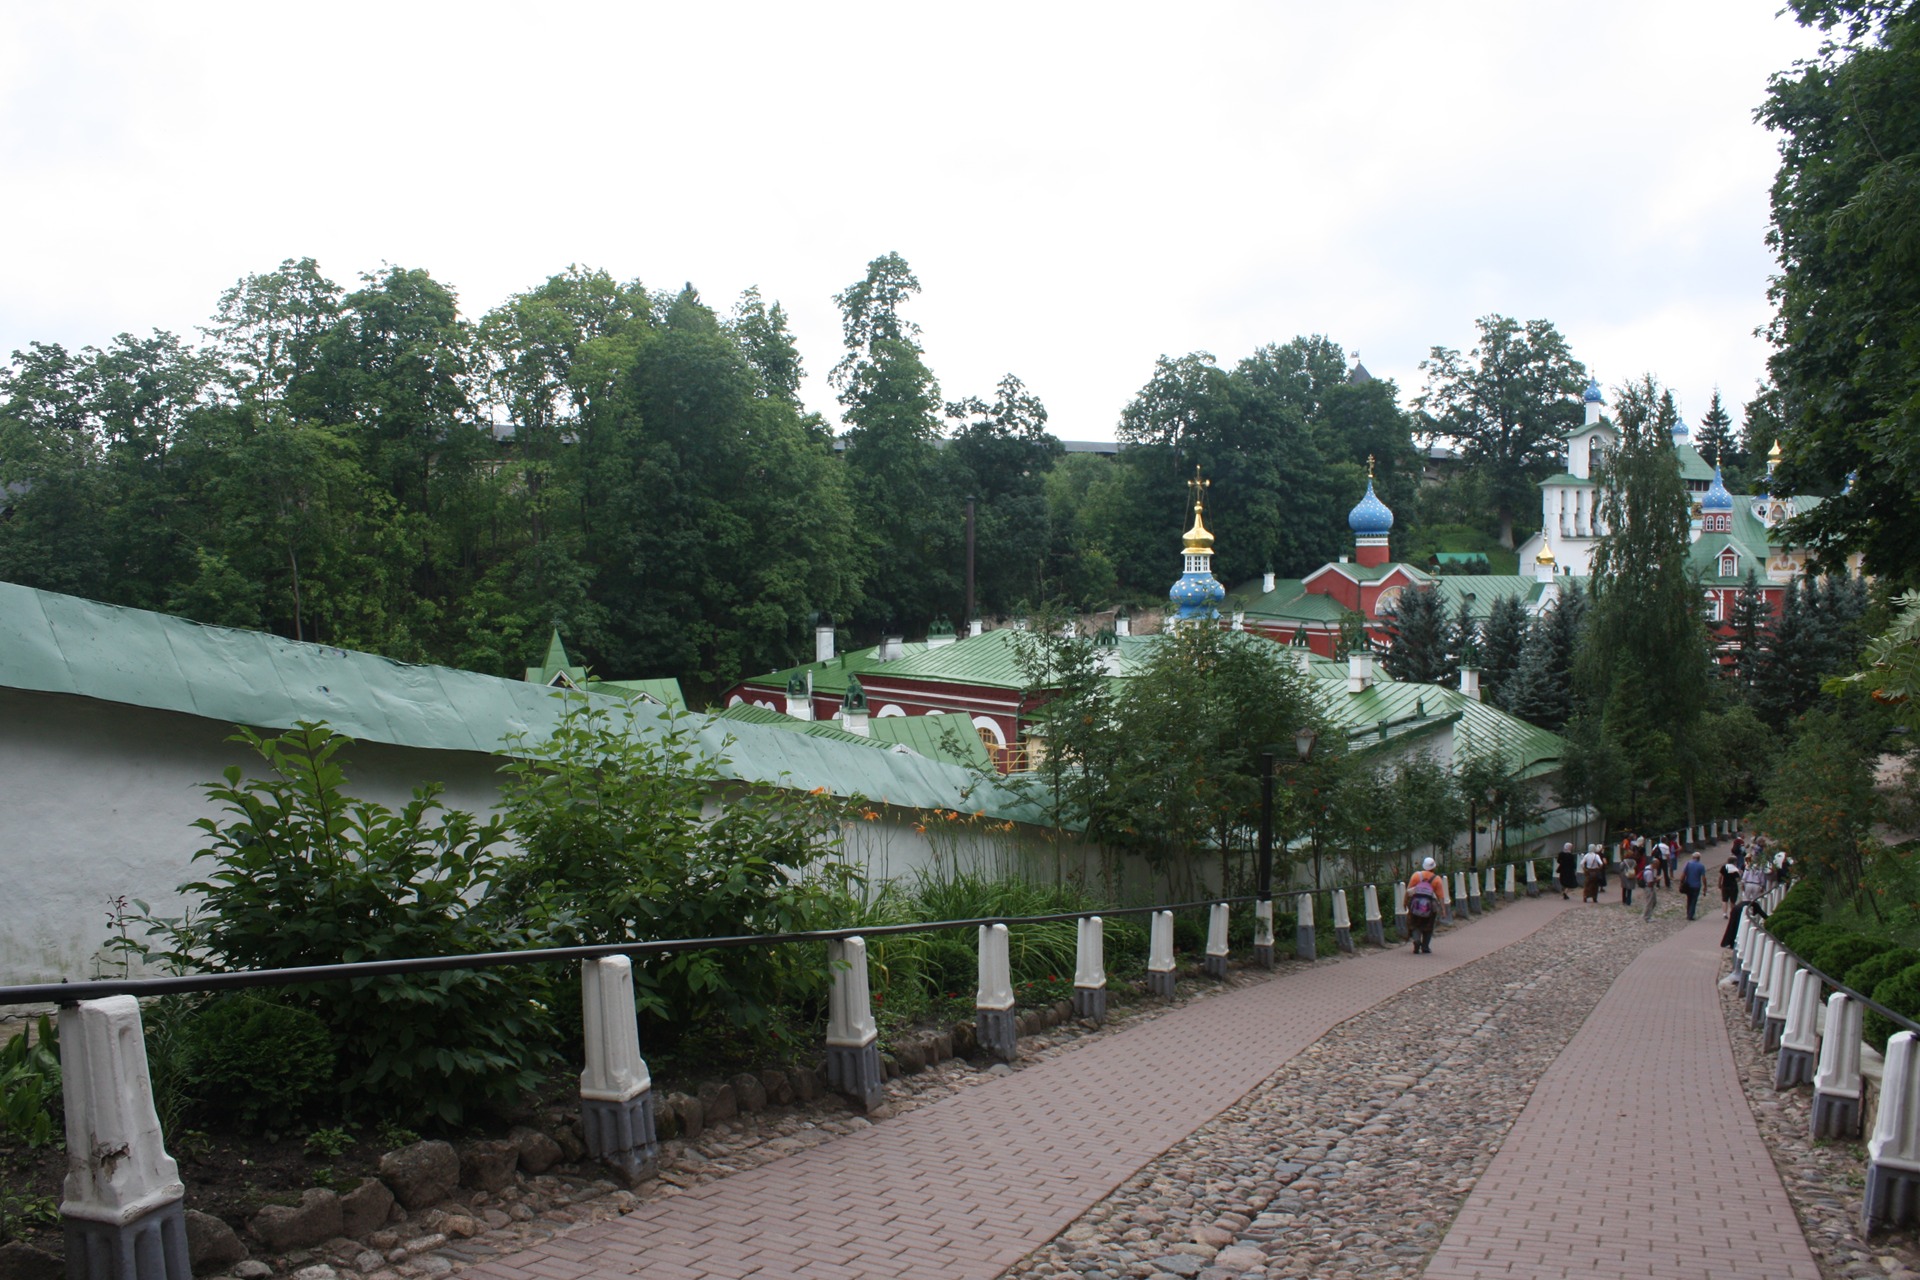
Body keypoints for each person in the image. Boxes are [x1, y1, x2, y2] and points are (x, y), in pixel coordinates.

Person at [1406, 857, 1448, 954]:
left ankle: (1416, 940)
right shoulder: (1437, 879)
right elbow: (1441, 896)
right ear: (1434, 867)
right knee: (1428, 926)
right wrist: (1443, 910)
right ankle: (1425, 947)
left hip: (1415, 905)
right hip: (1430, 907)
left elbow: (1408, 891)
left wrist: (1406, 903)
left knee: (1415, 924)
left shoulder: (1416, 876)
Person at [1681, 850, 1706, 920]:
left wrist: (1681, 883)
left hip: (1688, 885)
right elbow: (1703, 877)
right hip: (1696, 885)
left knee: (1689, 899)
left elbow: (1683, 875)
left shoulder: (1688, 864)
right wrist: (1705, 886)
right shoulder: (1701, 866)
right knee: (1694, 900)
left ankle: (1688, 913)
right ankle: (1691, 915)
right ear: (1699, 858)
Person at [1641, 850, 1660, 921]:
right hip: (1648, 888)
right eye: (1657, 864)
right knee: (1649, 902)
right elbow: (1649, 883)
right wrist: (1656, 880)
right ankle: (1646, 917)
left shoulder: (1649, 868)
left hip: (1650, 887)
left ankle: (1648, 914)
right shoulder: (1649, 871)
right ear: (1654, 864)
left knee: (1653, 901)